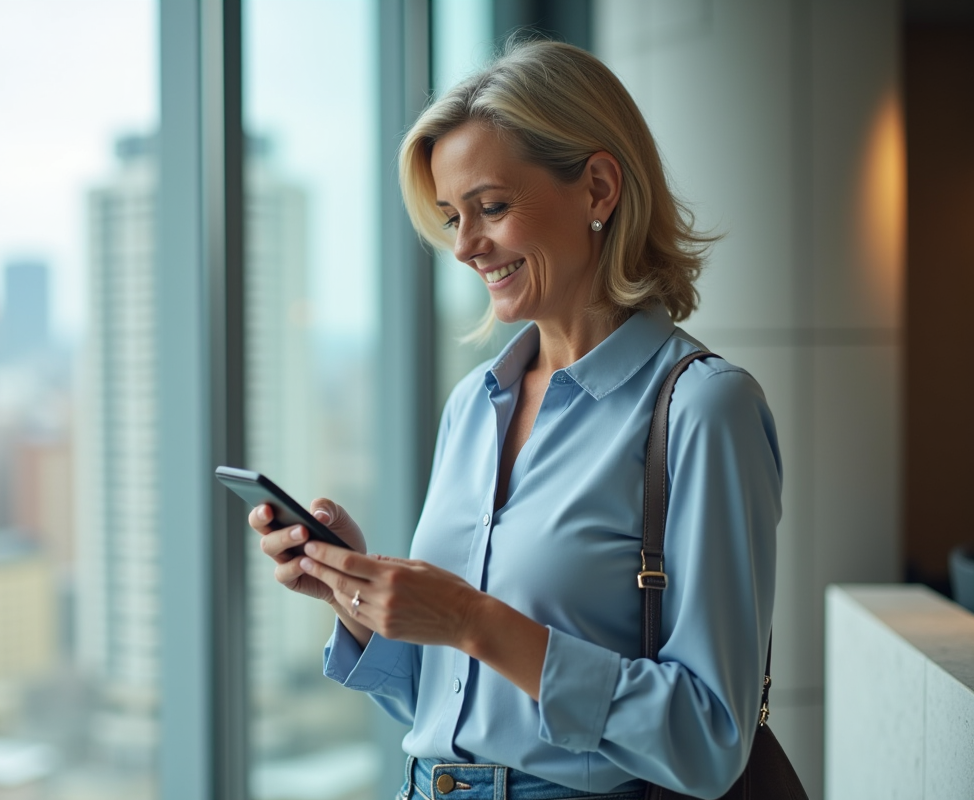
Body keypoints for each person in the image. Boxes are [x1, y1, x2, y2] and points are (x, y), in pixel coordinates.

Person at [249, 39, 780, 800]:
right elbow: (456, 704)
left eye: (491, 208)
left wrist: (472, 619)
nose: (464, 246)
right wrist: (361, 602)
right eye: (450, 217)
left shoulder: (704, 409)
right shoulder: (474, 405)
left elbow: (709, 739)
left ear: (599, 188)